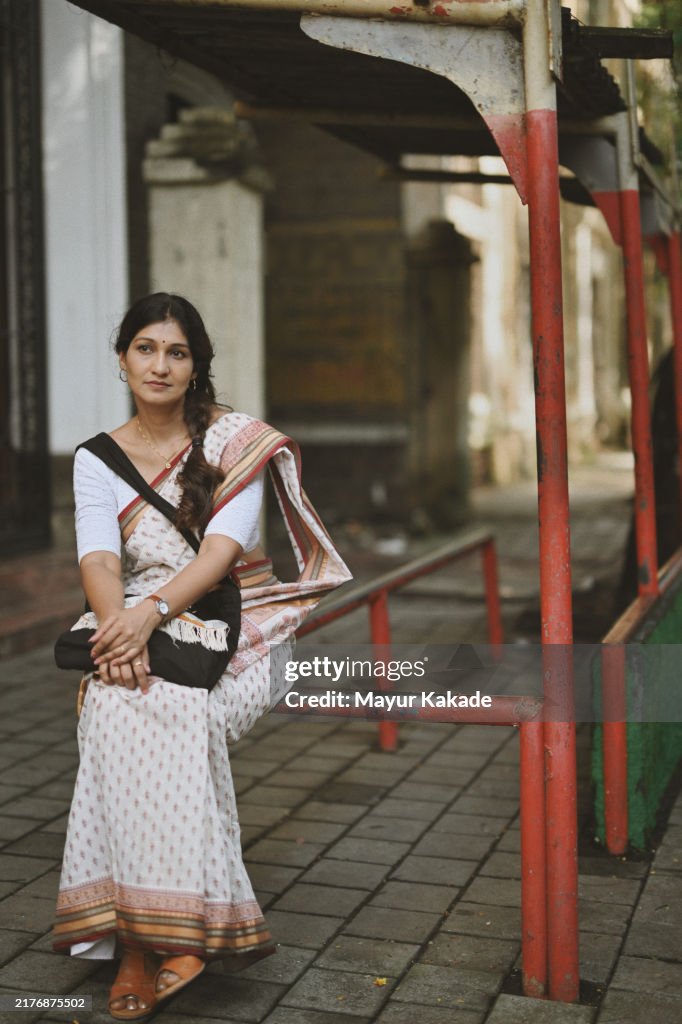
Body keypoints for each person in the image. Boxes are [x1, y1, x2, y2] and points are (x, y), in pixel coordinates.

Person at [52, 293, 351, 1020]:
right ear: (122, 358)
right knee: (118, 702)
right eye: (146, 348)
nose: (160, 364)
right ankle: (147, 940)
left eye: (177, 352)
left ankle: (148, 937)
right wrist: (118, 628)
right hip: (136, 616)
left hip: (243, 619)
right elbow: (97, 555)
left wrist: (145, 618)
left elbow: (220, 556)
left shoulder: (233, 441)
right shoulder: (97, 459)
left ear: (196, 366)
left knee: (174, 704)